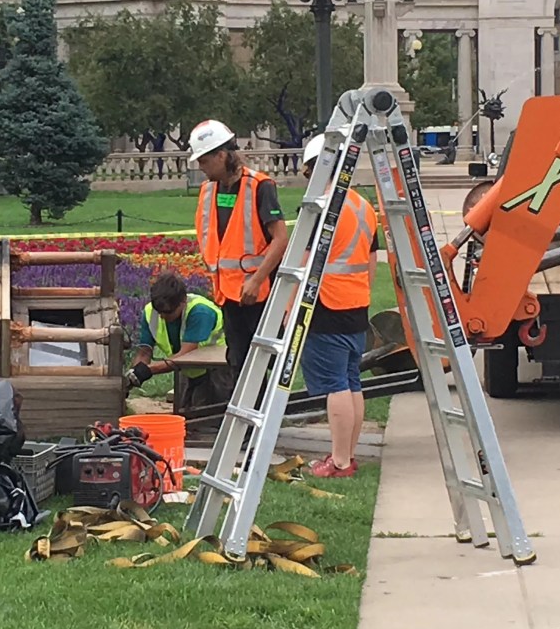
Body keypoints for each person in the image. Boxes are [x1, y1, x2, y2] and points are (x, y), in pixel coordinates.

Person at [188, 119, 290, 399]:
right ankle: (249, 420)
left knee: (266, 358)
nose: (201, 167)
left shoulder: (260, 187)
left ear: (222, 156)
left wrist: (256, 280)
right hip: (228, 294)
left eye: (205, 160)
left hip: (258, 293)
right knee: (240, 360)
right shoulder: (209, 190)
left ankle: (265, 415)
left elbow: (280, 239)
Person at [298, 133, 379, 478]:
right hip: (355, 304)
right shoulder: (363, 205)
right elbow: (372, 261)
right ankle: (346, 455)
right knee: (351, 382)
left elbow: (303, 262)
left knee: (334, 385)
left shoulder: (320, 206)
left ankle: (340, 461)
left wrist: (291, 311)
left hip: (325, 305)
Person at [124, 271, 227, 414]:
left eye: (168, 312)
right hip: (186, 369)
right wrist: (135, 374)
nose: (162, 316)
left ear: (183, 301)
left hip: (217, 369)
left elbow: (186, 354)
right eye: (159, 311)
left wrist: (149, 370)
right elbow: (144, 350)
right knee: (184, 416)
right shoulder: (151, 312)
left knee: (210, 418)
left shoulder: (200, 312)